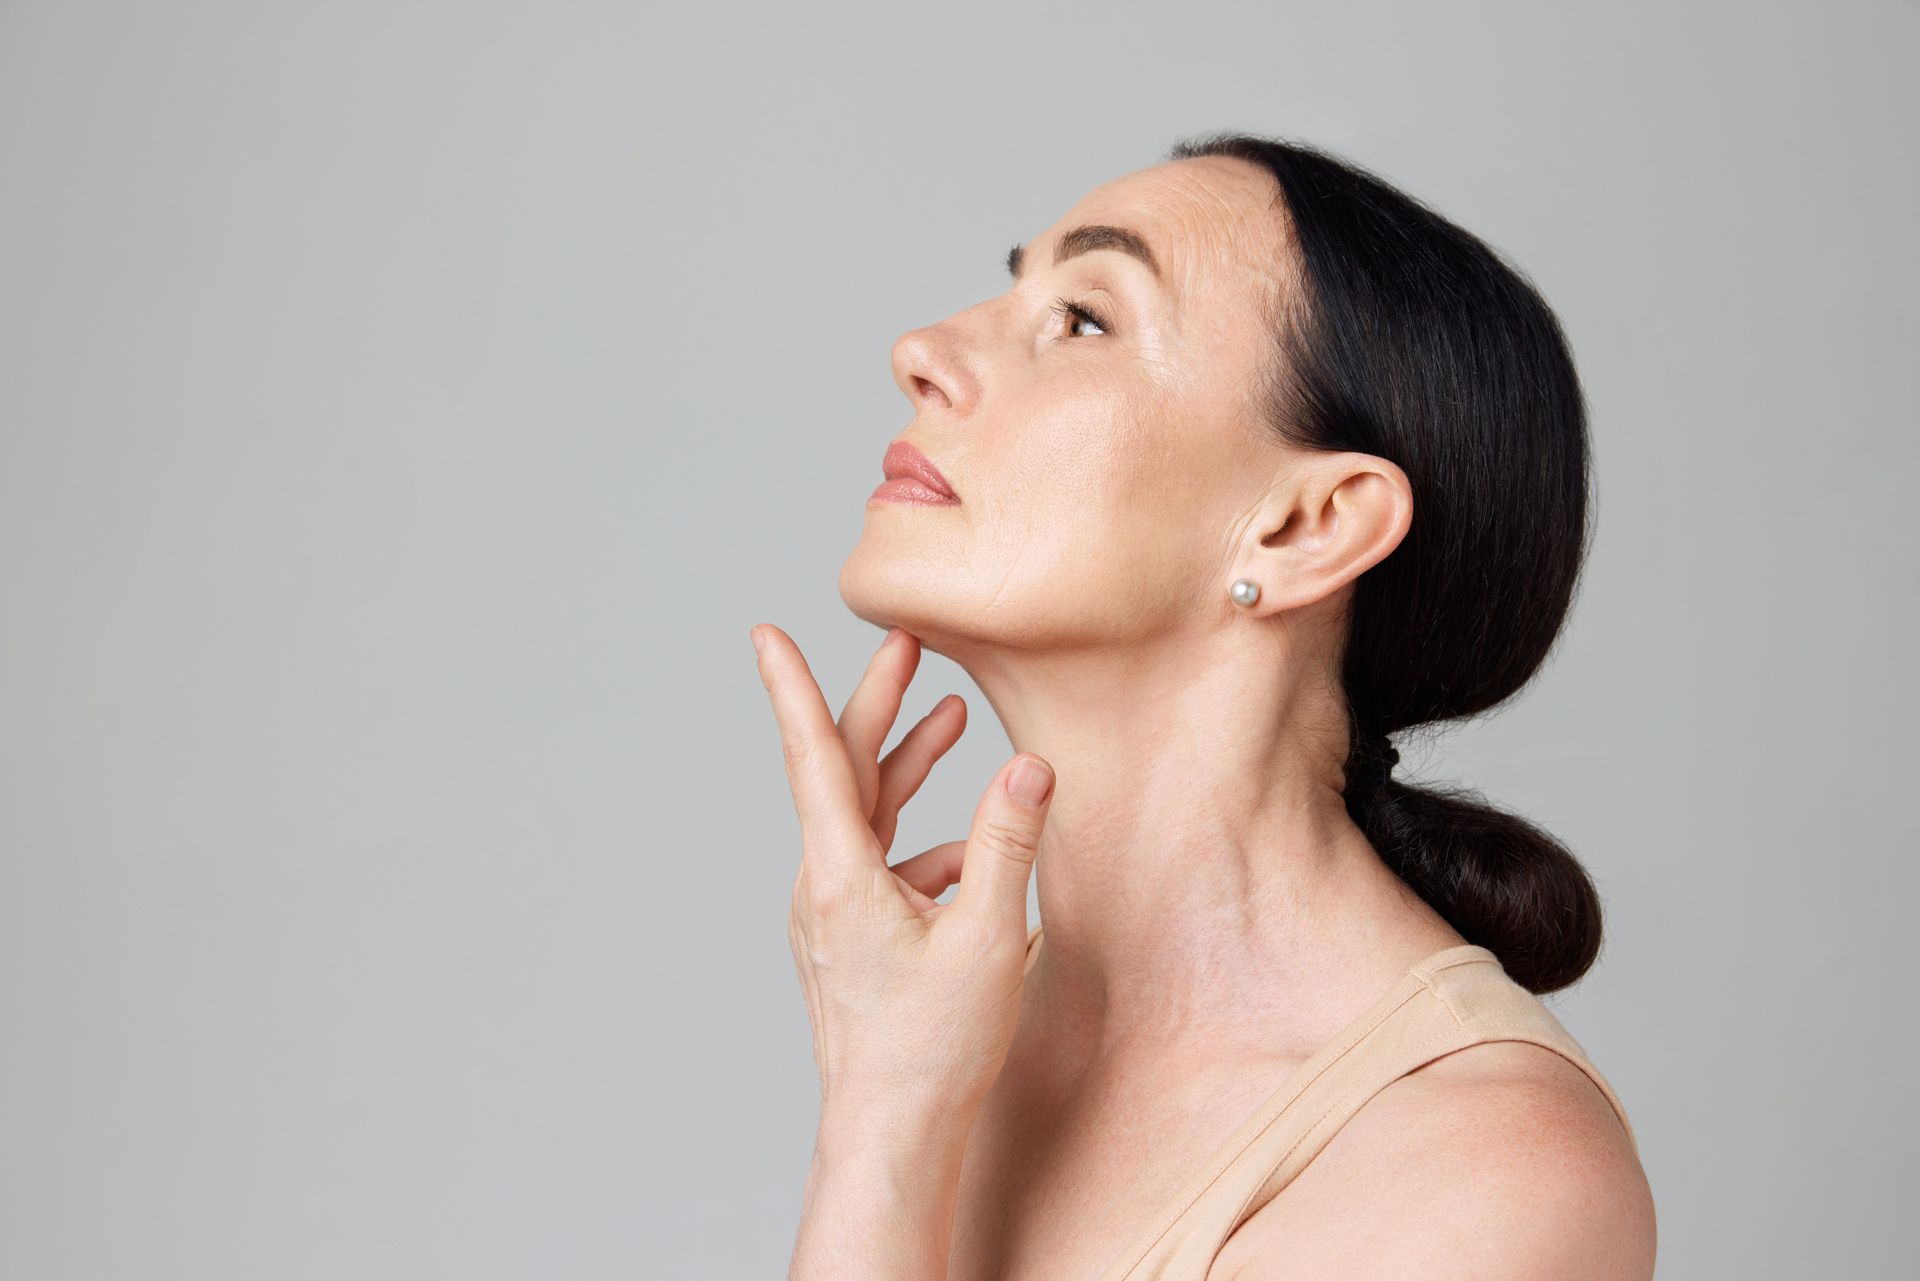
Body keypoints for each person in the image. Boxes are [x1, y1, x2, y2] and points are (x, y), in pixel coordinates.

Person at [752, 131, 1656, 1281]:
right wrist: (885, 1096)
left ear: (1306, 526)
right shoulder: (940, 1026)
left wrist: (878, 1139)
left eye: (1085, 319)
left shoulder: (1479, 1171)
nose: (920, 352)